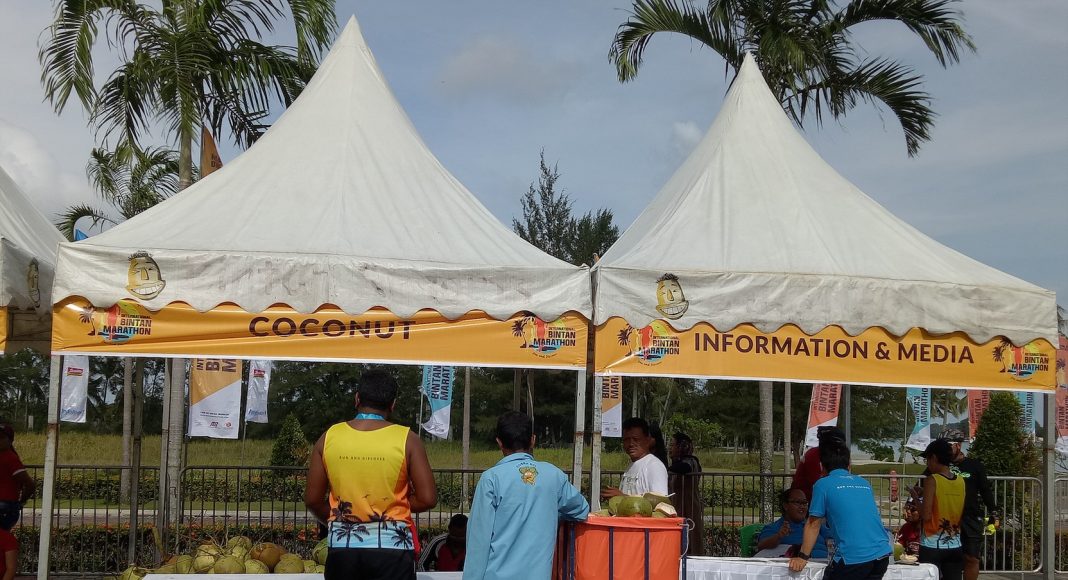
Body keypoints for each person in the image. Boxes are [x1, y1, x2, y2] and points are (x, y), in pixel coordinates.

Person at [305, 370, 438, 580]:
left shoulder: (328, 437)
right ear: (392, 404)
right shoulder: (408, 439)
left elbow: (312, 499)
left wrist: (340, 519)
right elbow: (428, 499)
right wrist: (392, 506)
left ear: (357, 399)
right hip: (393, 549)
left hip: (343, 548)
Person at [464, 412, 589, 580]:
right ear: (533, 440)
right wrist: (554, 512)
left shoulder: (491, 479)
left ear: (499, 442)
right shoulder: (554, 475)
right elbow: (581, 510)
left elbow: (479, 540)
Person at [790, 439, 890, 579]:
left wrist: (802, 557)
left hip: (854, 557)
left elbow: (813, 524)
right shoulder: (864, 483)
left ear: (822, 466)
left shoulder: (822, 485)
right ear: (849, 465)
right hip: (882, 553)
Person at [940, 428, 998, 580]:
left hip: (970, 517)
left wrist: (994, 512)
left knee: (971, 558)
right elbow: (921, 484)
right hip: (945, 518)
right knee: (947, 557)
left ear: (958, 445)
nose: (944, 449)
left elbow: (985, 490)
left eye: (948, 445)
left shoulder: (975, 466)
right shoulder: (939, 465)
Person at [918, 438, 965, 580]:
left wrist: (915, 497)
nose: (927, 464)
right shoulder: (961, 481)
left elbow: (926, 515)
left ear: (934, 457)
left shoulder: (932, 480)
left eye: (927, 459)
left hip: (932, 545)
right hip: (955, 543)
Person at [602, 418, 669, 499]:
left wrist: (622, 497)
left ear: (648, 440)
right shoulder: (632, 465)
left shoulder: (654, 466)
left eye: (636, 439)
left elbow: (660, 503)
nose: (631, 444)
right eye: (627, 440)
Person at [756, 488, 829, 558]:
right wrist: (779, 536)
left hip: (826, 562)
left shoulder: (813, 525)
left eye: (804, 503)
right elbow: (761, 546)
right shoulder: (775, 527)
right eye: (797, 502)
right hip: (800, 564)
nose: (802, 506)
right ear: (785, 506)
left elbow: (832, 540)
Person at [668, 432, 704, 555]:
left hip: (690, 506)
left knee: (691, 535)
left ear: (681, 447)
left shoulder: (691, 462)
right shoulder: (677, 463)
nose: (670, 448)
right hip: (678, 506)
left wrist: (666, 468)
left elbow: (685, 468)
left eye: (672, 445)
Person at [791, 425, 846, 502]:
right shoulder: (814, 455)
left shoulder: (835, 455)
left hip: (818, 496)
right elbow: (818, 483)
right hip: (805, 499)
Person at [0, 423, 33, 531]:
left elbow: (30, 484)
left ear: (10, 440)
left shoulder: (10, 458)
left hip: (5, 505)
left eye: (1, 437)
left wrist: (21, 502)